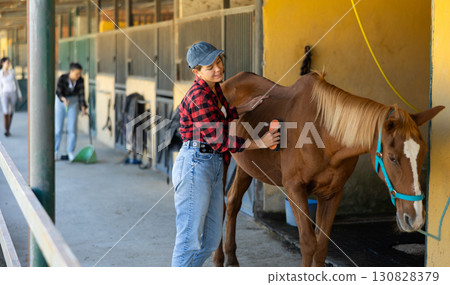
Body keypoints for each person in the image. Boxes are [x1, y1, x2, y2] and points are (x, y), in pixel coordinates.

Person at [171, 41, 280, 267]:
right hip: (195, 165)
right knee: (188, 239)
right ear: (196, 72)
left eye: (218, 61)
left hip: (212, 164)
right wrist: (260, 142)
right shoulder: (199, 96)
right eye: (209, 67)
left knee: (211, 239)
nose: (218, 69)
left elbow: (221, 113)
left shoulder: (214, 89)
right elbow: (219, 140)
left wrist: (244, 108)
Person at [55, 62, 87, 161]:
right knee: (58, 128)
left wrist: (83, 106)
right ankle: (55, 151)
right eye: (77, 73)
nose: (78, 76)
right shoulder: (62, 78)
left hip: (73, 101)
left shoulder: (80, 80)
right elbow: (59, 91)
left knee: (72, 128)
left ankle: (70, 152)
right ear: (71, 71)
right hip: (61, 101)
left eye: (80, 74)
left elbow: (81, 94)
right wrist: (64, 99)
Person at [0, 57, 23, 137]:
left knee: (11, 111)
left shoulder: (12, 72)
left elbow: (16, 84)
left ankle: (8, 129)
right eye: (7, 62)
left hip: (13, 93)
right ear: (3, 63)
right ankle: (6, 130)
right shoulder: (0, 73)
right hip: (4, 94)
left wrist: (19, 94)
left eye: (9, 62)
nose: (8, 64)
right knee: (5, 111)